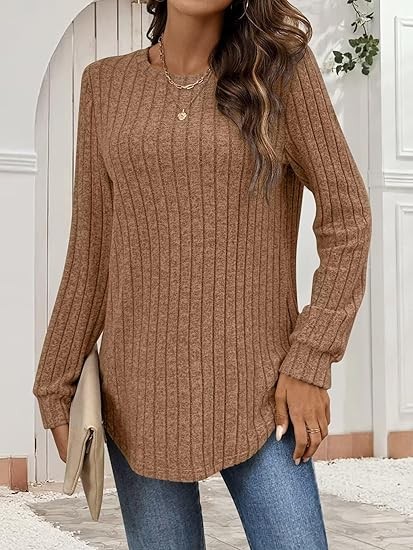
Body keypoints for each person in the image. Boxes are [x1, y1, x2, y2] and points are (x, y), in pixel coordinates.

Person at [32, 0, 372, 548]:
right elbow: (91, 250)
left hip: (261, 388)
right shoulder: (105, 85)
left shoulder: (280, 71)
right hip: (137, 394)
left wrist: (311, 360)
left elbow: (348, 216)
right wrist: (55, 380)